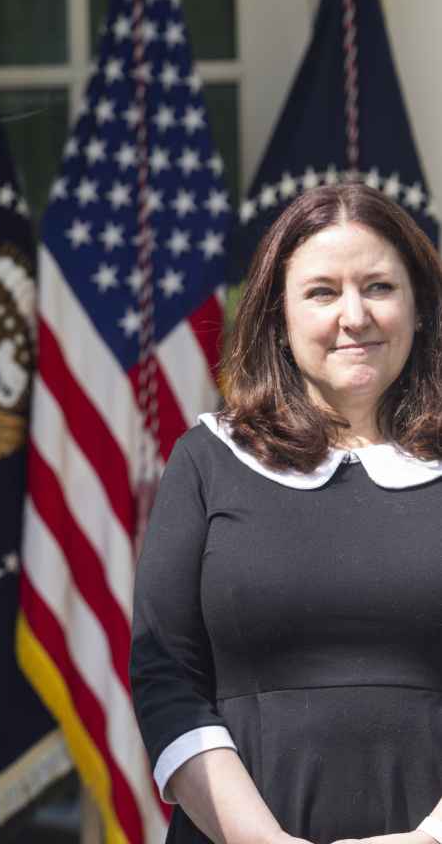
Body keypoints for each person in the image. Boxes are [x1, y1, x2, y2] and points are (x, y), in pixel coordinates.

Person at [132, 183, 442, 844]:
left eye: (380, 288)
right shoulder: (205, 461)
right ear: (277, 318)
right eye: (322, 292)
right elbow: (167, 677)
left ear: (419, 310)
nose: (353, 316)